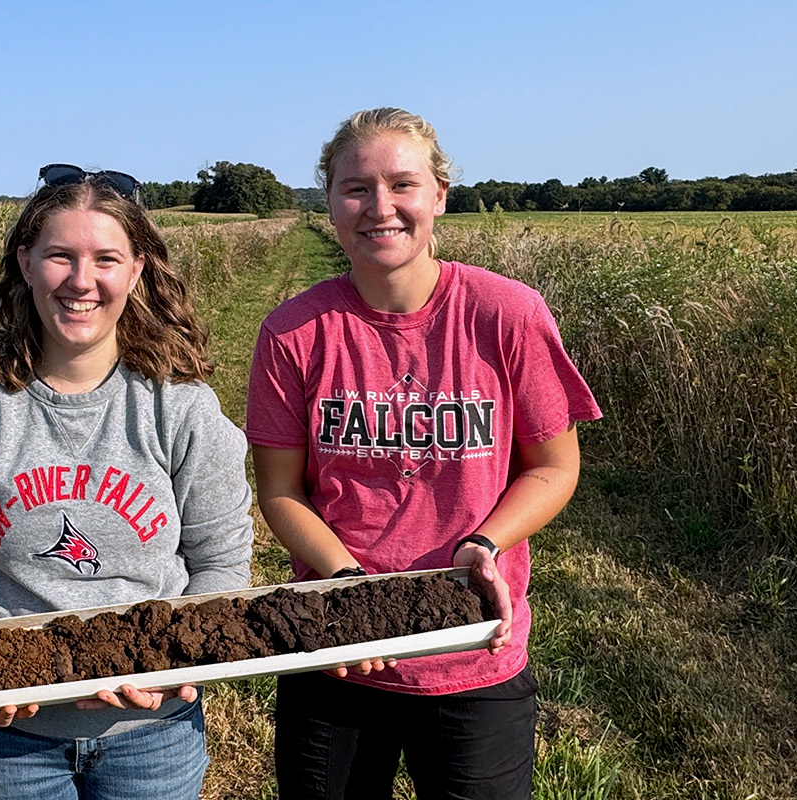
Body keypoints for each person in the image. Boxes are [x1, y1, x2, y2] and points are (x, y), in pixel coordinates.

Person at [246, 108, 601, 799]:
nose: (380, 208)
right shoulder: (293, 333)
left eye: (402, 185)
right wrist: (353, 592)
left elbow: (556, 467)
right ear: (329, 203)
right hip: (338, 652)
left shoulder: (508, 314)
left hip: (473, 647)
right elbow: (281, 492)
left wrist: (486, 542)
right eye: (356, 188)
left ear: (439, 194)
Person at [0, 165, 255, 800]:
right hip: (12, 732)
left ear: (137, 270)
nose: (81, 281)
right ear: (26, 263)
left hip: (152, 733)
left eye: (106, 259)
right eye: (60, 256)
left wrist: (169, 658)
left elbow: (221, 564)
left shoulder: (181, 408)